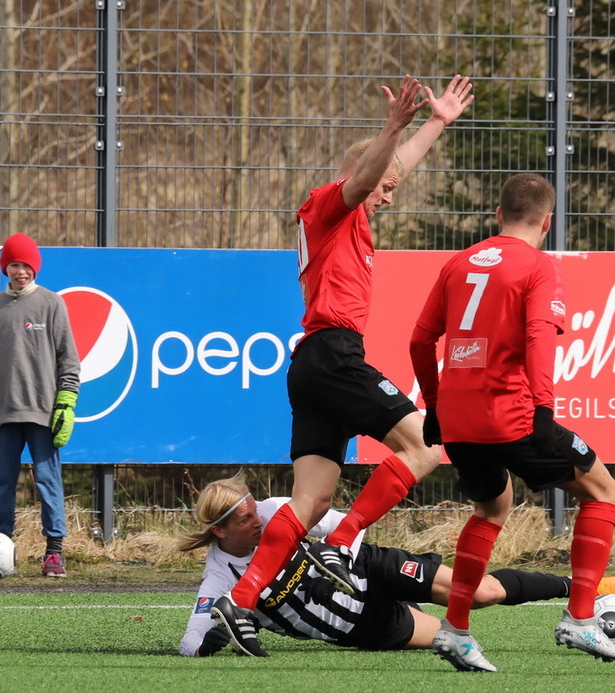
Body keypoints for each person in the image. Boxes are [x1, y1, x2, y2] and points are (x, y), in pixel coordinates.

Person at [210, 73, 475, 657]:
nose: (390, 195)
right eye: (385, 187)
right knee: (426, 445)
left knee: (311, 502)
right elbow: (367, 176)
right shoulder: (328, 206)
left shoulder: (351, 219)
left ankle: (242, 599)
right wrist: (392, 127)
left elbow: (386, 170)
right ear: (363, 175)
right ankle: (345, 542)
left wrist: (436, 123)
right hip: (333, 354)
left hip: (313, 364)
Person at [408, 173, 615, 671]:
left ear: (498, 214)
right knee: (604, 491)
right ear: (547, 222)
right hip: (510, 414)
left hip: (458, 421)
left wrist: (435, 406)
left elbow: (420, 341)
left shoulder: (459, 262)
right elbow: (538, 337)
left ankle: (455, 631)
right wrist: (544, 409)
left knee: (492, 508)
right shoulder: (540, 265)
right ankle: (580, 618)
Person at [179, 474, 615, 657]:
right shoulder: (219, 578)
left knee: (479, 593)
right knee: (452, 640)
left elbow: (348, 527)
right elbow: (190, 641)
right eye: (245, 519)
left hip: (372, 568)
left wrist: (338, 563)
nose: (258, 520)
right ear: (219, 531)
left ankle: (585, 587)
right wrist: (214, 639)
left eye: (254, 509)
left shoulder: (275, 510)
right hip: (362, 626)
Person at [0, 232, 81, 578]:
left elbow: (69, 359)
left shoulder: (51, 303)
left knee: (48, 479)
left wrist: (65, 403)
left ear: (35, 268)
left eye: (26, 265)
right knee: (3, 481)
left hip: (43, 411)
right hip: (3, 411)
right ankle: (0, 548)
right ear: (5, 267)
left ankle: (54, 551)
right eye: (14, 265)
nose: (21, 271)